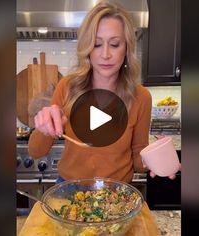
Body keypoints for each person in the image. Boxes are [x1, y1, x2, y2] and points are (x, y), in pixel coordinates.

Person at [28, 1, 172, 183]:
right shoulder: (67, 87)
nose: (105, 54)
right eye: (96, 44)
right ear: (87, 49)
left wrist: (158, 159)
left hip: (116, 195)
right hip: (70, 190)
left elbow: (137, 159)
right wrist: (44, 127)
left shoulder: (141, 97)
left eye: (114, 44)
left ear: (127, 48)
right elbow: (35, 151)